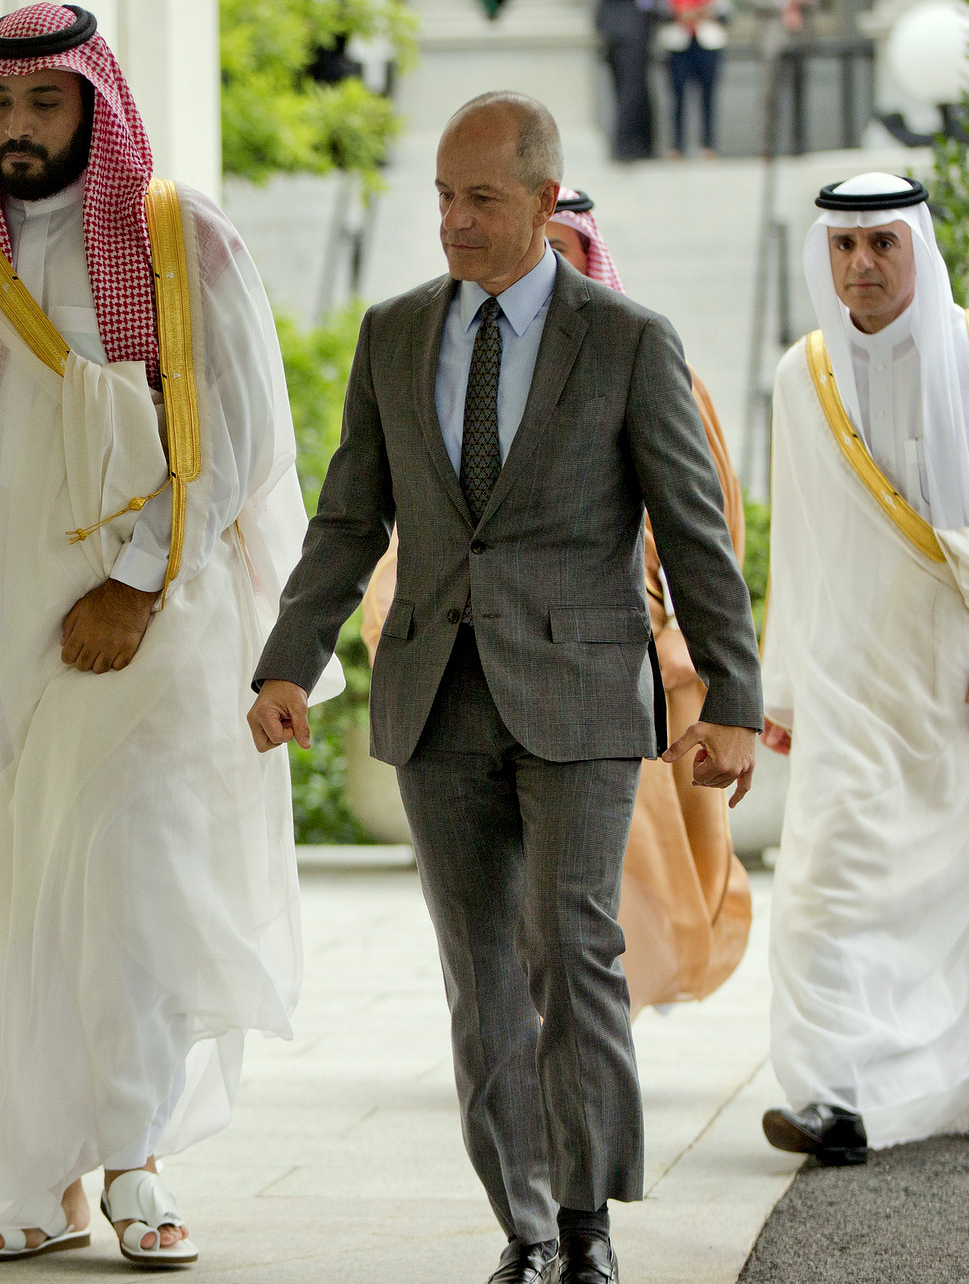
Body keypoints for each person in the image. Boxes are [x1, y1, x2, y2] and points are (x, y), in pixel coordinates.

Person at [0, 3, 338, 1264]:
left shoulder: (177, 240)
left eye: (45, 102)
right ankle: (39, 1175)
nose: (21, 128)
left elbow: (242, 430)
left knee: (131, 887)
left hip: (152, 626)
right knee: (17, 901)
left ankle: (136, 1160)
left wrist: (138, 583)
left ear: (94, 102)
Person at [247, 92, 763, 1284]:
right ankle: (525, 1230)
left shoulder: (629, 341)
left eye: (480, 198)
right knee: (477, 974)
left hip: (581, 692)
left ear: (544, 201)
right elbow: (346, 517)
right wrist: (289, 659)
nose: (454, 221)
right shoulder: (391, 334)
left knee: (573, 949)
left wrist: (730, 693)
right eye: (440, 196)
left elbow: (694, 535)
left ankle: (588, 1228)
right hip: (436, 695)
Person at [759, 172, 969, 1166]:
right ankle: (833, 1098)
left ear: (916, 246)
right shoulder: (800, 374)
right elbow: (801, 547)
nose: (859, 267)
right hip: (855, 684)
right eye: (842, 249)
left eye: (881, 246)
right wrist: (778, 690)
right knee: (823, 880)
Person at [360, 188, 753, 1014]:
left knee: (613, 889)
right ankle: (551, 1043)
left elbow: (704, 524)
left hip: (618, 667)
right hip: (472, 672)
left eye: (567, 253)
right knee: (503, 922)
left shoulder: (642, 355)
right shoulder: (439, 355)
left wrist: (700, 654)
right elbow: (409, 521)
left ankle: (594, 1030)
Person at [658, 0, 727, 158]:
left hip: (708, 42)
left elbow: (725, 11)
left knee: (708, 97)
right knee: (677, 97)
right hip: (678, 44)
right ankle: (677, 146)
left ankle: (708, 144)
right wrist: (679, 13)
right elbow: (659, 10)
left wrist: (703, 11)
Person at [598, 0, 658, 161]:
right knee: (630, 90)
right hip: (630, 29)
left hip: (617, 28)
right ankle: (626, 145)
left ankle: (641, 143)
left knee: (631, 90)